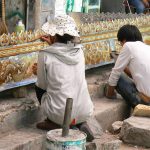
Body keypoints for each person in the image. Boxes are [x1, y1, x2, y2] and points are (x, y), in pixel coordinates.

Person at [32, 14, 94, 141]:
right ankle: (78, 122)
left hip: (59, 114)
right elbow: (64, 52)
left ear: (53, 34)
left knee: (39, 87)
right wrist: (53, 44)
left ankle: (53, 121)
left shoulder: (44, 55)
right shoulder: (79, 51)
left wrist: (39, 72)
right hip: (85, 111)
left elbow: (42, 84)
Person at [105, 24, 150, 108]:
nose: (121, 46)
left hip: (145, 103)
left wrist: (109, 94)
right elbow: (138, 74)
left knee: (117, 78)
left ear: (124, 40)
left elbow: (115, 73)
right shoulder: (147, 47)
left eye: (120, 43)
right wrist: (121, 64)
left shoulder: (128, 46)